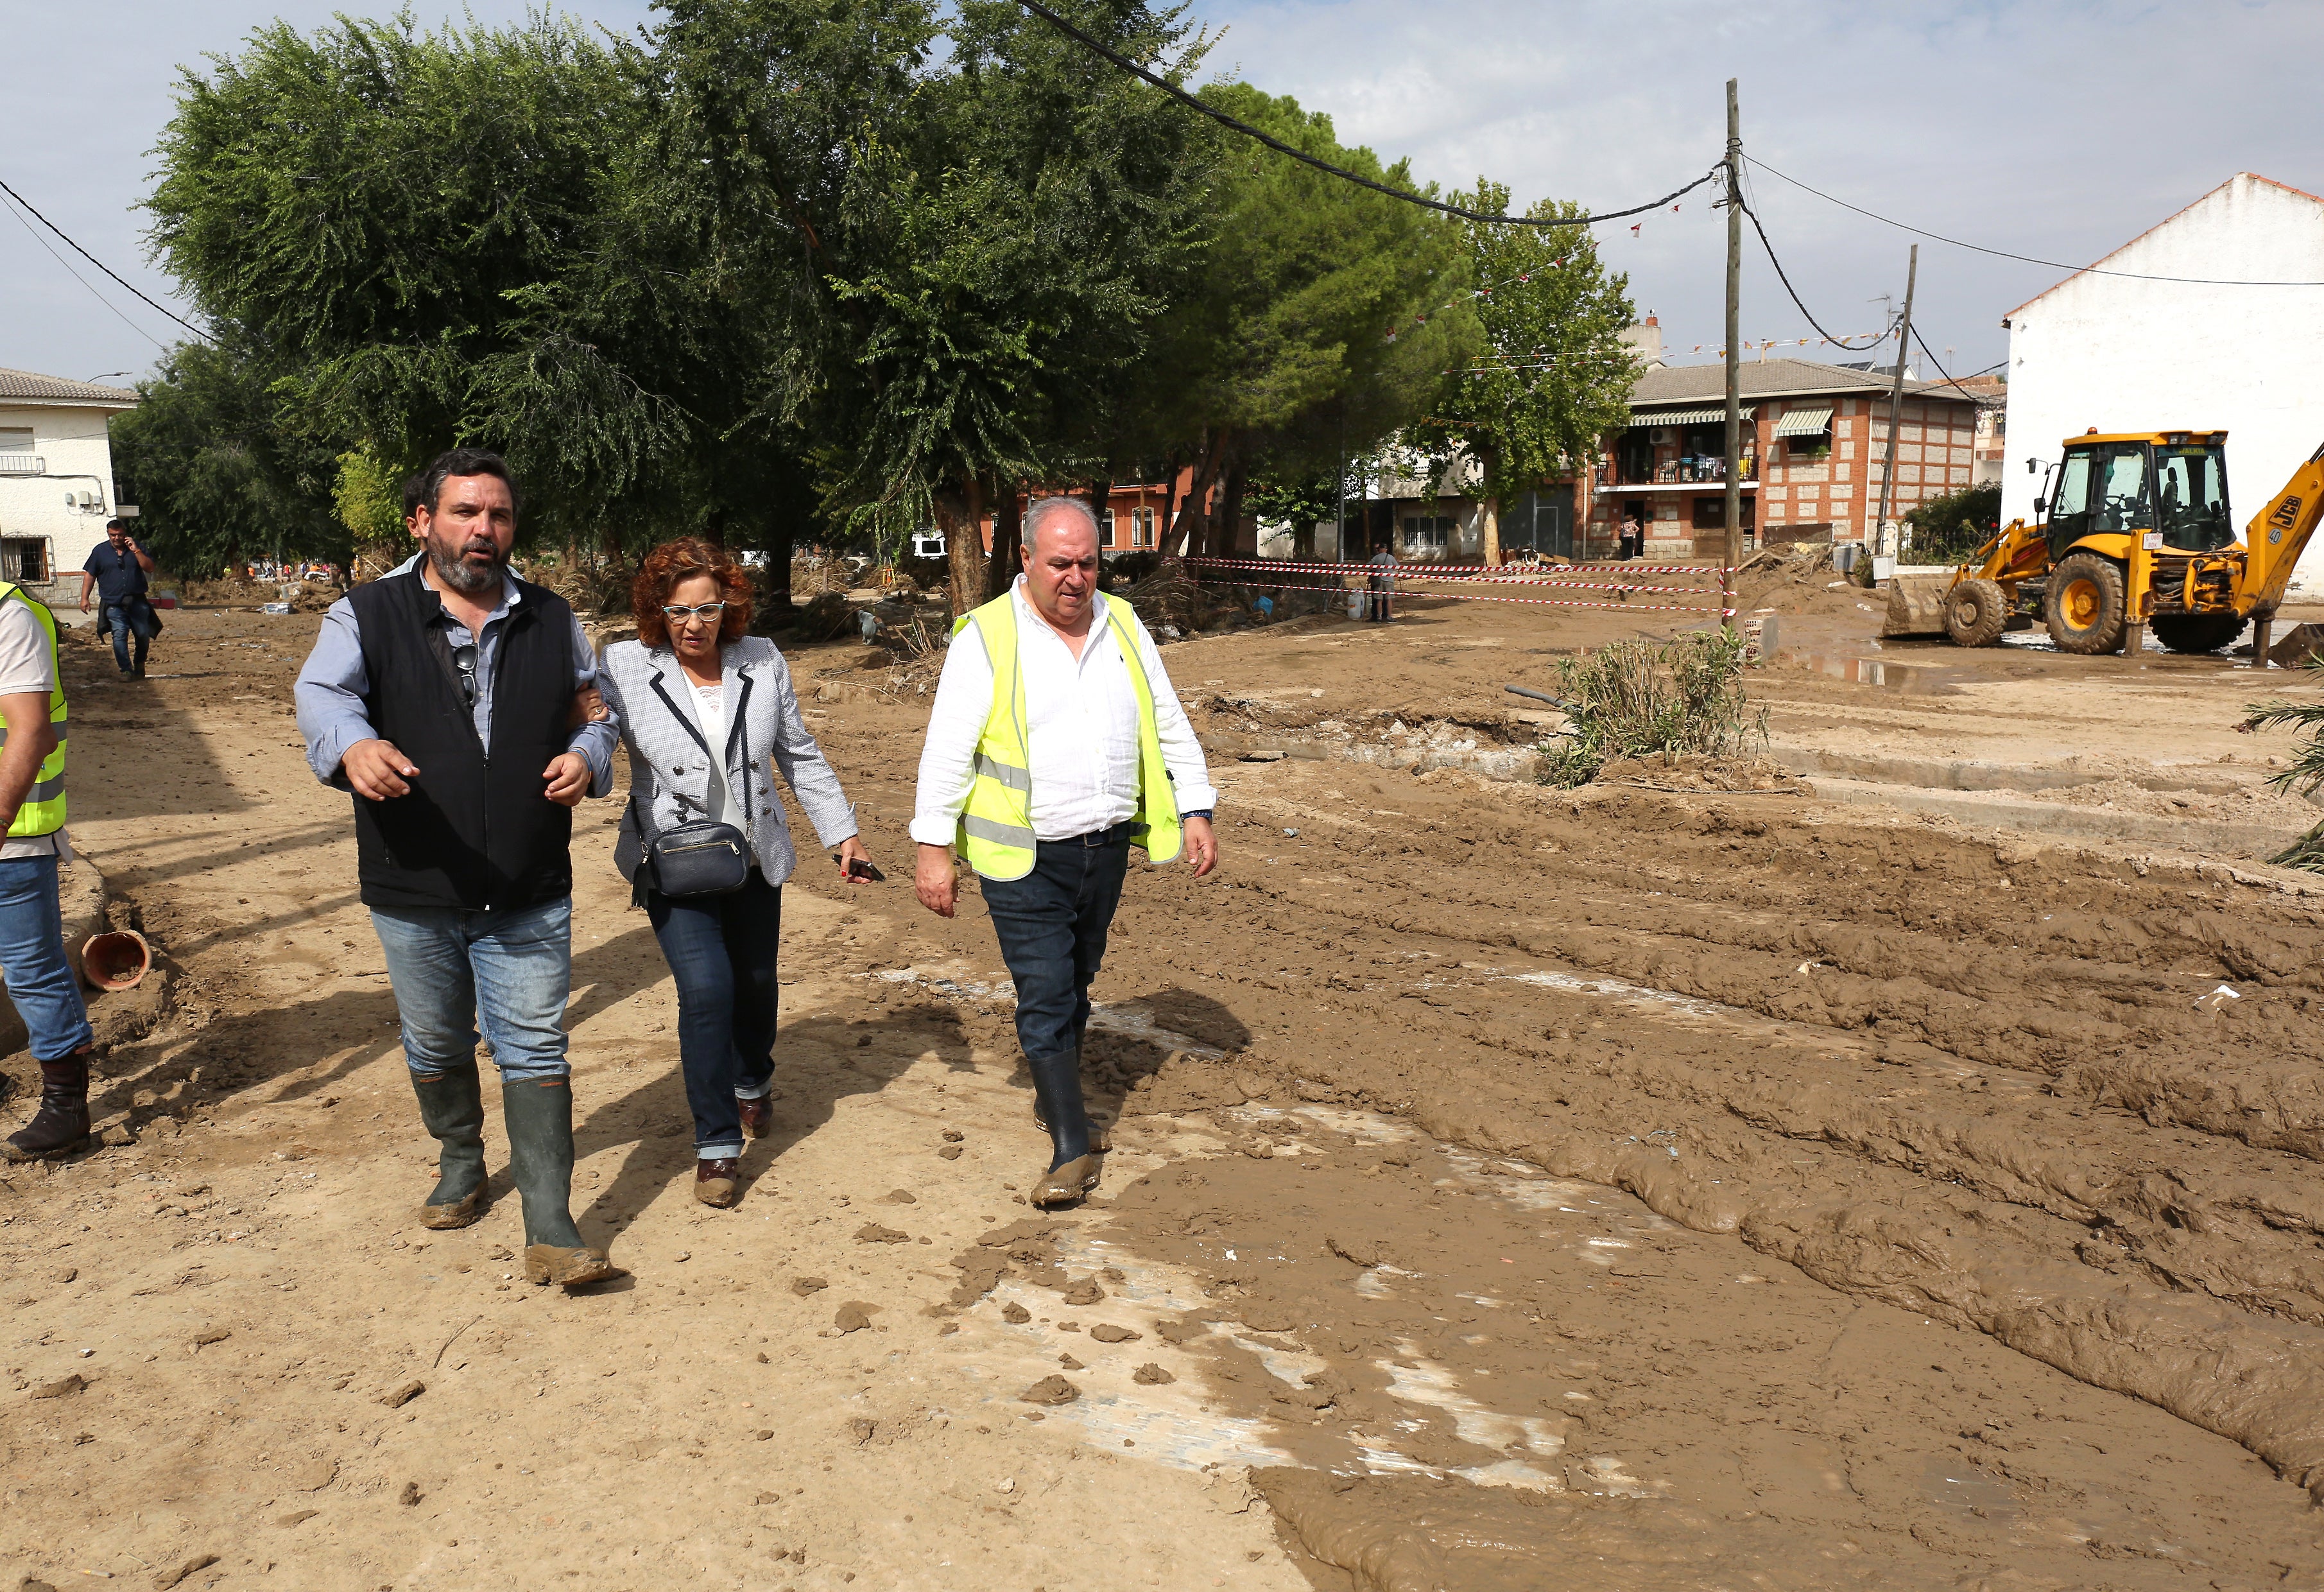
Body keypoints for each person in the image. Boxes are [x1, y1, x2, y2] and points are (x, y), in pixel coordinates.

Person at [294, 447, 621, 1288]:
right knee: (436, 1039)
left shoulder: (553, 619)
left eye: (499, 515)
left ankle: (550, 1220)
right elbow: (326, 698)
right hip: (414, 881)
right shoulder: (365, 616)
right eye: (465, 513)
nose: (484, 529)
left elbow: (596, 705)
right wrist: (353, 743)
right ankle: (461, 1157)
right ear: (423, 522)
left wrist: (588, 753)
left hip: (527, 879)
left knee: (536, 1046)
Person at [911, 497, 1218, 1207]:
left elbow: (1167, 719)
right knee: (1045, 990)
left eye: (1087, 562)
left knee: (1077, 978)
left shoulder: (1124, 623)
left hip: (1104, 845)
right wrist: (934, 847)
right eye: (1060, 563)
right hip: (1022, 853)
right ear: (1025, 559)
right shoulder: (985, 636)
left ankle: (1061, 1102)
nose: (1076, 578)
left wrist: (1197, 805)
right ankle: (1071, 1146)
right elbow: (947, 748)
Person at [598, 539, 874, 1208]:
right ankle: (716, 1143)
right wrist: (577, 750)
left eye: (708, 609)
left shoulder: (763, 660)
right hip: (672, 857)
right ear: (657, 611)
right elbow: (598, 739)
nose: (695, 624)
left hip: (752, 856)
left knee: (754, 985)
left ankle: (752, 1078)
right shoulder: (623, 666)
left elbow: (799, 755)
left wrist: (843, 833)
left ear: (729, 606)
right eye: (679, 611)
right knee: (708, 990)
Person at [0, 575, 97, 1161]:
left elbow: (30, 730)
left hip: (13, 837)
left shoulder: (11, 616)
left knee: (31, 968)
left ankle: (67, 1107)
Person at [80, 519, 159, 679]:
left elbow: (149, 568)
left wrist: (136, 551)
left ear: (125, 533)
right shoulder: (100, 552)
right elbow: (90, 574)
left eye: (120, 535)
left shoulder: (137, 547)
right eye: (113, 535)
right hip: (113, 603)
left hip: (137, 601)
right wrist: (84, 598)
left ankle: (139, 663)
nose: (117, 538)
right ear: (108, 534)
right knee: (119, 634)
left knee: (143, 634)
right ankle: (126, 670)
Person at [1368, 543, 1398, 622]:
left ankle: (1379, 617)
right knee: (1389, 599)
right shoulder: (1391, 557)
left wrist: (1376, 570)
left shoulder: (1376, 557)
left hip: (1379, 580)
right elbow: (1397, 567)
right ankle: (1389, 617)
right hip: (1389, 580)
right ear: (1387, 549)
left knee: (1379, 599)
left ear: (1380, 549)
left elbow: (1368, 566)